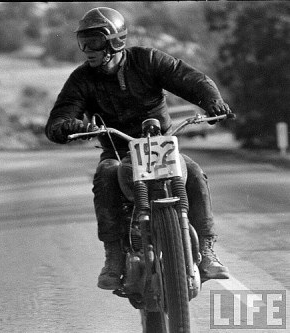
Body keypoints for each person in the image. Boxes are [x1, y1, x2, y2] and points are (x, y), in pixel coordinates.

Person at [45, 7, 231, 291]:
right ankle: (114, 256)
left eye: (94, 42)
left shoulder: (148, 60)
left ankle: (206, 251)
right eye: (83, 43)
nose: (87, 50)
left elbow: (191, 79)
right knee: (106, 175)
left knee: (193, 172)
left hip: (161, 145)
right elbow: (59, 118)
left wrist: (212, 101)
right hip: (118, 151)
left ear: (115, 41)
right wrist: (69, 126)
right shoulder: (82, 79)